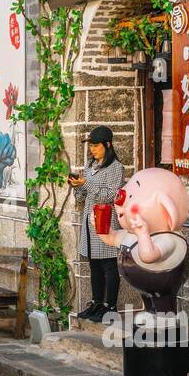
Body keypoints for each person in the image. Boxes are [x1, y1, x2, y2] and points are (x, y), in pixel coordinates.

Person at [68, 126, 125, 321]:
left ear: (107, 145)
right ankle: (96, 303)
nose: (92, 150)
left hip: (105, 222)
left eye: (96, 146)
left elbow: (109, 196)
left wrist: (86, 184)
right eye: (90, 146)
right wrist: (77, 186)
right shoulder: (89, 165)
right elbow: (83, 196)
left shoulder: (116, 168)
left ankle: (110, 307)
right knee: (94, 265)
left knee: (109, 265)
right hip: (89, 221)